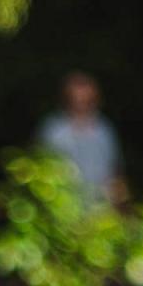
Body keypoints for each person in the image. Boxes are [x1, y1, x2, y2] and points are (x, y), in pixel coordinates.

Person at [37, 72, 126, 205]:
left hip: (100, 211)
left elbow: (115, 172)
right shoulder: (53, 130)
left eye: (87, 100)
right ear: (67, 99)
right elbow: (42, 174)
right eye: (77, 99)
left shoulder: (104, 129)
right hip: (64, 209)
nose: (82, 104)